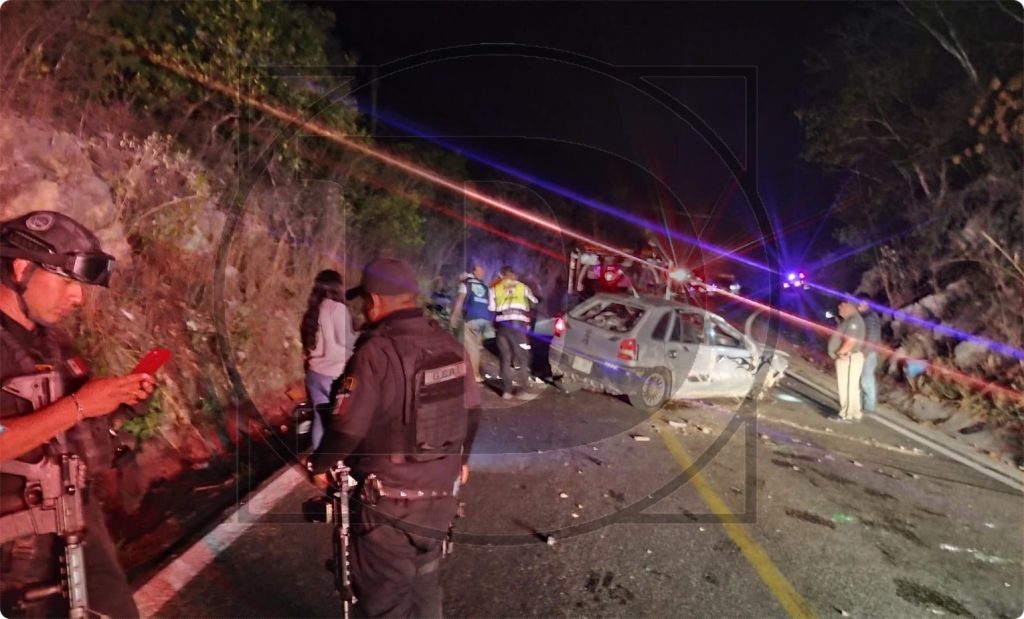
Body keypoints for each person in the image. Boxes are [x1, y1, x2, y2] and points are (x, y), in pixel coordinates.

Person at [0, 210, 155, 618]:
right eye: (67, 281)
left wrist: (116, 403)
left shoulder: (52, 342)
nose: (78, 297)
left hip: (77, 523)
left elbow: (70, 425)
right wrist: (80, 405)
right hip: (14, 554)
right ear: (22, 268)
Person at [310, 258, 481, 618]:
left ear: (374, 301)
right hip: (440, 500)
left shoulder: (376, 352)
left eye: (364, 302)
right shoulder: (451, 345)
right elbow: (473, 412)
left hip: (388, 507)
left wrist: (321, 465)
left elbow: (348, 427)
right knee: (425, 585)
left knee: (386, 600)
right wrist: (461, 461)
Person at [301, 269, 356, 450]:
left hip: (315, 374)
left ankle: (320, 462)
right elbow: (347, 341)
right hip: (336, 375)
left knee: (320, 418)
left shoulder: (312, 311)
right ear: (337, 287)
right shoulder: (337, 309)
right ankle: (337, 459)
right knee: (342, 420)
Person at [489, 265, 539, 399]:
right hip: (518, 327)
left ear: (502, 275)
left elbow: (491, 308)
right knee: (522, 357)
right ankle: (523, 390)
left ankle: (506, 391)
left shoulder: (494, 289)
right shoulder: (523, 287)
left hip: (502, 328)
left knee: (505, 358)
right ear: (512, 274)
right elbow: (535, 302)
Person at [449, 259, 492, 383]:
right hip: (484, 319)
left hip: (472, 318)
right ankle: (474, 372)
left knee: (469, 347)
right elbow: (489, 305)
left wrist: (453, 318)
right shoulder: (485, 287)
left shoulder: (466, 284)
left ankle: (474, 374)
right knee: (476, 347)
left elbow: (459, 302)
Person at [827, 299, 866, 421]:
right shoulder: (850, 320)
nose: (839, 307)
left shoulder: (854, 320)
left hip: (848, 357)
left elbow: (851, 340)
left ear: (850, 306)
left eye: (842, 305)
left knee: (847, 387)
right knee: (852, 387)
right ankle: (854, 413)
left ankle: (846, 415)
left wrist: (840, 353)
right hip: (849, 356)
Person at [857, 298, 882, 413]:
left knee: (866, 380)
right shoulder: (868, 317)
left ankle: (869, 406)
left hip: (868, 353)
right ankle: (864, 404)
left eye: (860, 304)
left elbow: (871, 337)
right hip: (868, 352)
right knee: (864, 379)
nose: (858, 306)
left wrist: (865, 353)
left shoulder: (870, 318)